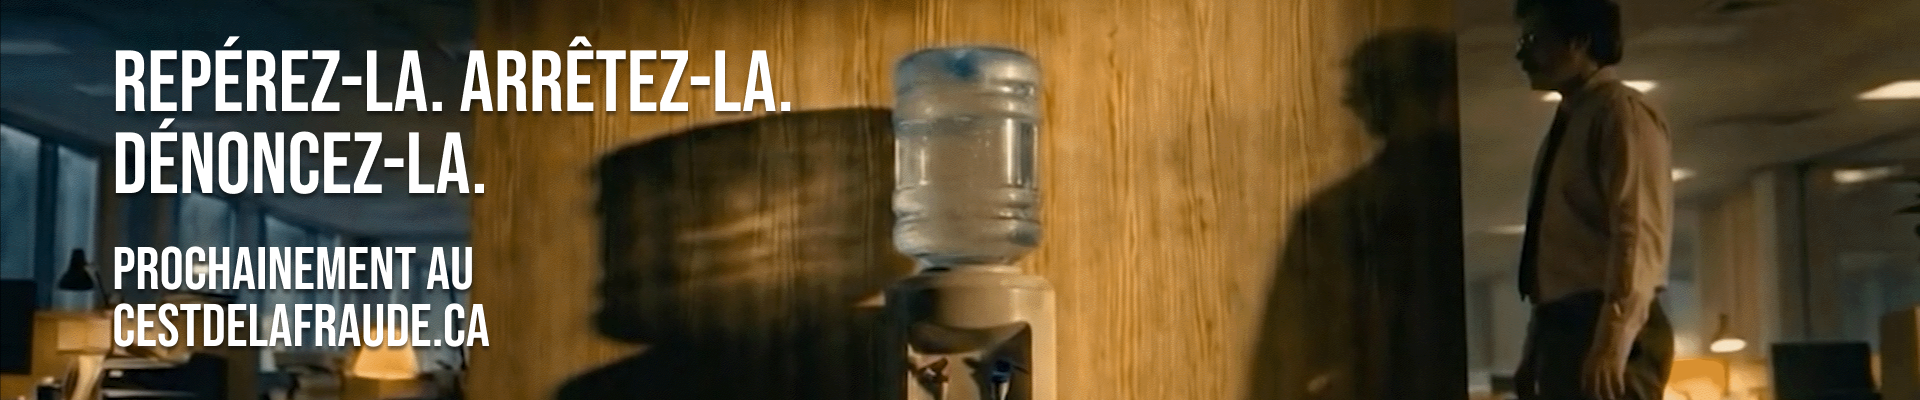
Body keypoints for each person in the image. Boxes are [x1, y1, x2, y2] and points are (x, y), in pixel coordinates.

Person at [1509, 0, 1676, 399]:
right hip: (1566, 325)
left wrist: (1611, 343)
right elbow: (1556, 251)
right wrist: (1536, 344)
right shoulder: (1571, 120)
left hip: (1600, 321)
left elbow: (1636, 234)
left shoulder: (1620, 113)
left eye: (1534, 39)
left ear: (1578, 42)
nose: (1522, 52)